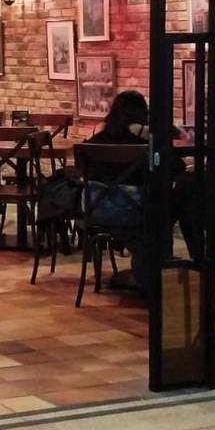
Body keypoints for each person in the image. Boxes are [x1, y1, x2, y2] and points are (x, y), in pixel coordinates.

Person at [85, 90, 150, 293]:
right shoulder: (142, 144)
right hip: (134, 211)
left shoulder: (94, 142)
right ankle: (149, 276)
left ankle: (142, 273)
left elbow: (80, 167)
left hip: (96, 210)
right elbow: (175, 167)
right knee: (161, 217)